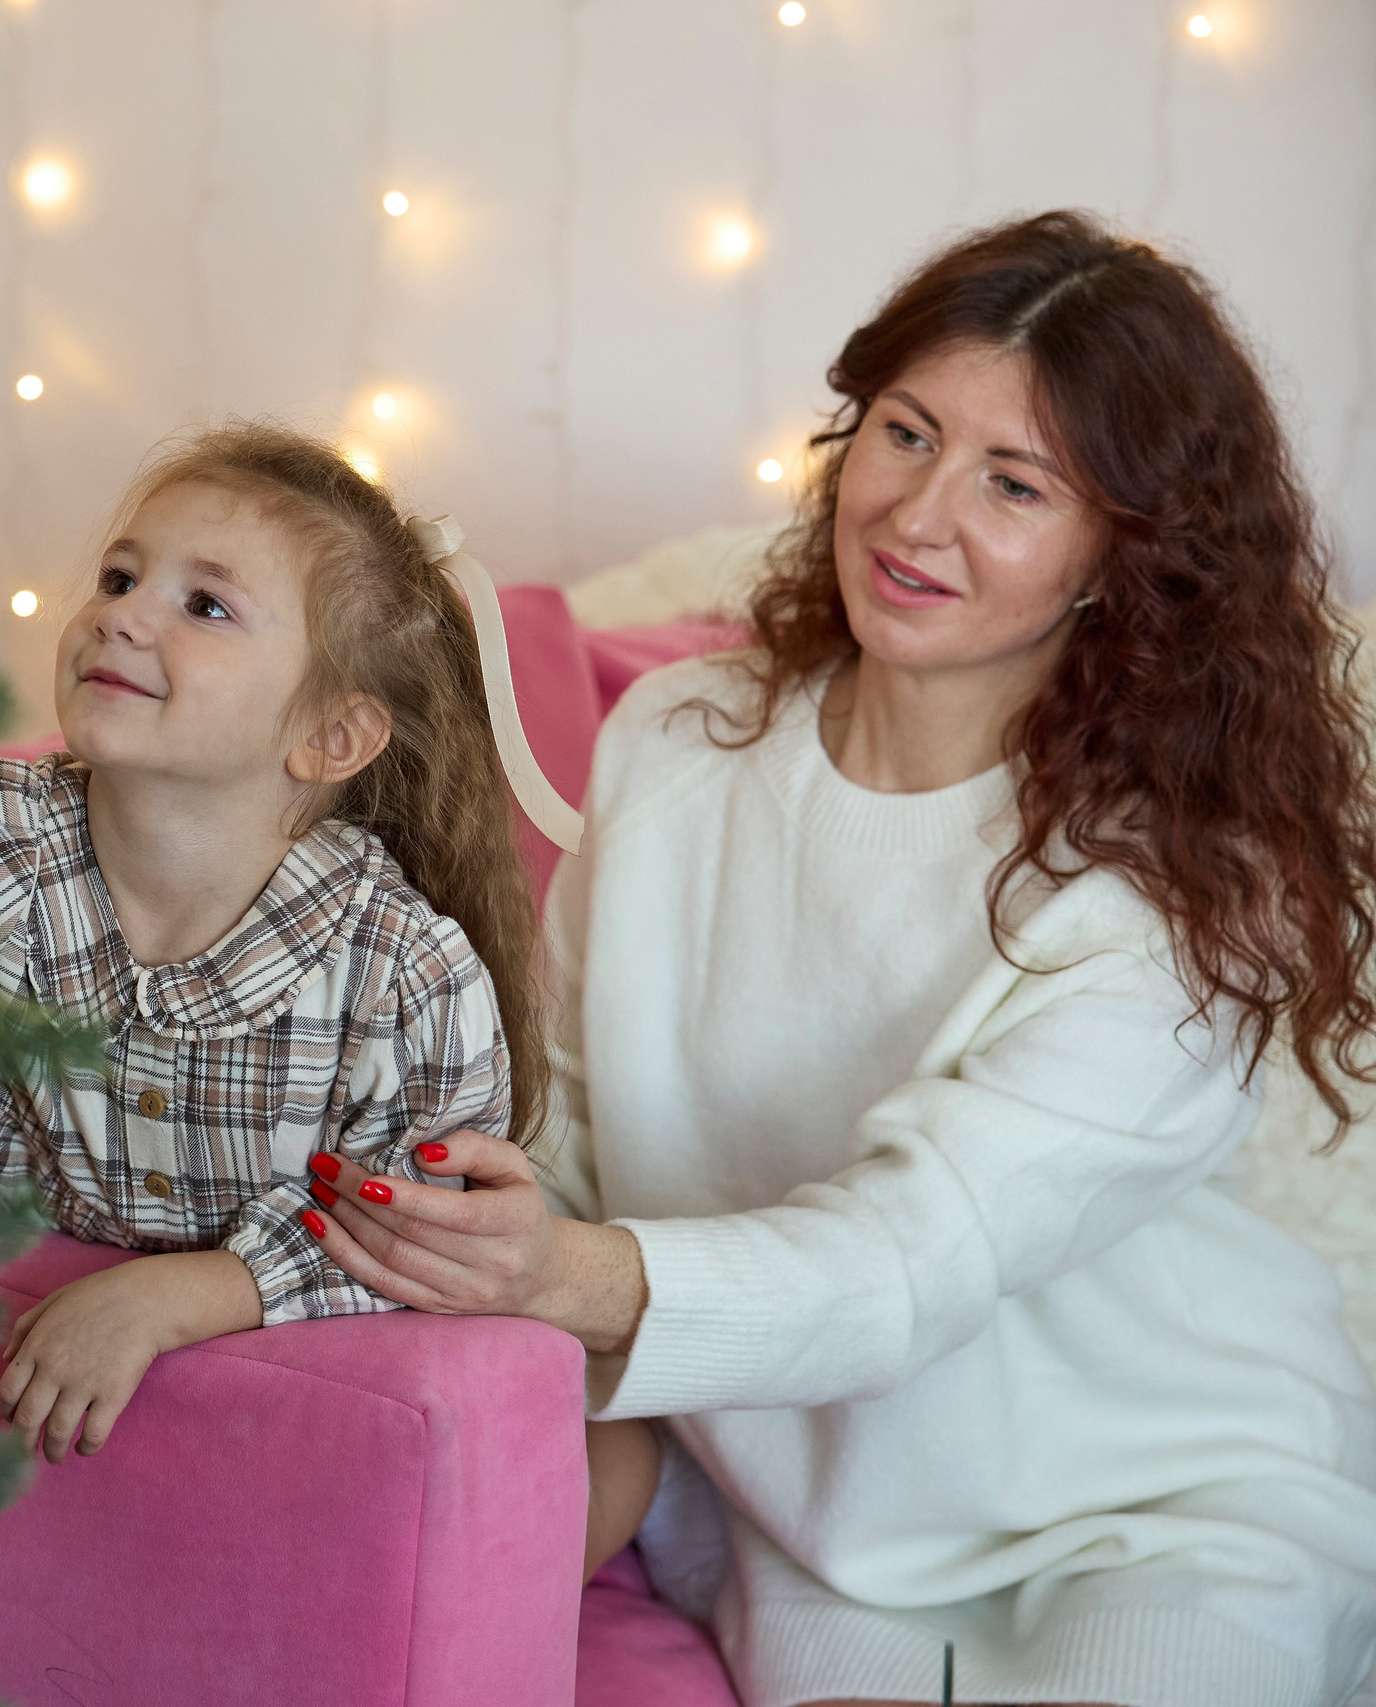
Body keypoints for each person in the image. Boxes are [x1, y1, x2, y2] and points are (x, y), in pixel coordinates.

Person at [302, 211, 1376, 1707]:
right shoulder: (678, 742)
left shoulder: (1187, 884)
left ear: (1128, 554)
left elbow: (906, 1255)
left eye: (1014, 483)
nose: (917, 516)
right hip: (811, 1523)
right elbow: (564, 1126)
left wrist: (567, 1272)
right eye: (905, 433)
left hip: (1170, 1507)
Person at [0, 424, 589, 1477]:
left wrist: (187, 1295)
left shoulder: (403, 976)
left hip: (262, 1471)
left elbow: (427, 1245)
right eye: (118, 576)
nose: (120, 615)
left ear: (330, 737)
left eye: (204, 605)